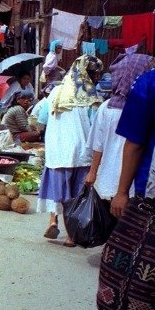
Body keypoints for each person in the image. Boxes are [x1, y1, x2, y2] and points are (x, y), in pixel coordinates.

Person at [108, 8, 155, 310]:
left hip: (152, 196)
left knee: (148, 275)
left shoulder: (148, 83)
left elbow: (133, 144)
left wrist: (120, 192)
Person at [37, 55, 103, 247]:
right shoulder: (91, 95)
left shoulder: (56, 92)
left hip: (59, 151)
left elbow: (42, 121)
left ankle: (53, 220)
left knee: (59, 191)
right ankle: (70, 236)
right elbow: (96, 125)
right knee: (75, 196)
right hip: (82, 151)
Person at [84, 52, 151, 200]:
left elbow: (97, 144)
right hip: (132, 185)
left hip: (106, 182)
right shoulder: (143, 108)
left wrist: (93, 172)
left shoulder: (106, 107)